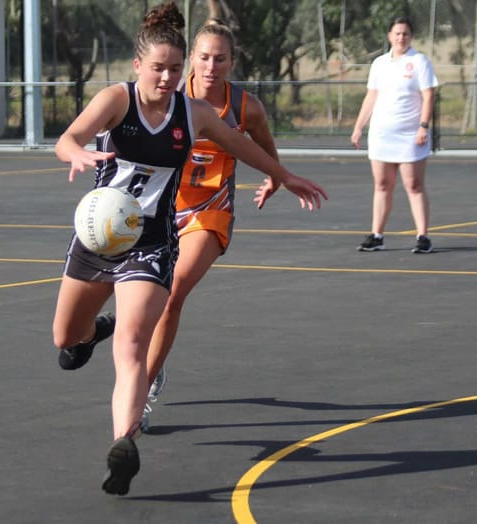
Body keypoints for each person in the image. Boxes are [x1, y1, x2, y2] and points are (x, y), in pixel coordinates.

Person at [52, 2, 327, 496]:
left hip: (153, 240)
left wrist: (282, 175)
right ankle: (91, 331)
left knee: (133, 342)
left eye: (174, 69)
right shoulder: (117, 100)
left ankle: (124, 442)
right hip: (99, 237)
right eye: (159, 68)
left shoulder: (194, 112)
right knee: (65, 340)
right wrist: (76, 151)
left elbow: (242, 145)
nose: (167, 77)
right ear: (138, 66)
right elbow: (68, 137)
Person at [140, 19, 313, 432]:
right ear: (191, 60)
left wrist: (275, 178)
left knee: (173, 290)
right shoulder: (170, 98)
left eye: (220, 58)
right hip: (165, 209)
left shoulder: (244, 107)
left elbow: (264, 149)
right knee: (144, 297)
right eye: (203, 57)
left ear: (232, 62)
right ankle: (154, 362)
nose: (211, 66)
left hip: (211, 211)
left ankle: (141, 390)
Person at [350, 17, 439, 254]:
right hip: (382, 134)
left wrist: (423, 126)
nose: (401, 38)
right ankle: (377, 235)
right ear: (390, 36)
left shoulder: (419, 62)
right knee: (382, 184)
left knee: (414, 184)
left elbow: (429, 96)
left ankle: (423, 236)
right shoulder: (380, 63)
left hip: (410, 134)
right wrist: (359, 126)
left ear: (411, 37)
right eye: (397, 34)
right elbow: (371, 96)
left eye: (406, 34)